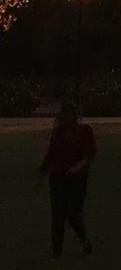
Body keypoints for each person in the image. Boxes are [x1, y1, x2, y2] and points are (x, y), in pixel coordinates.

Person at [38, 103, 96, 258]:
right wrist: (42, 173)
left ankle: (84, 240)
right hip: (58, 178)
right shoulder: (58, 133)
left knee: (73, 212)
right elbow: (50, 154)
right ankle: (56, 251)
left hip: (76, 178)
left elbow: (89, 155)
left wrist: (78, 167)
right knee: (57, 215)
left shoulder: (85, 131)